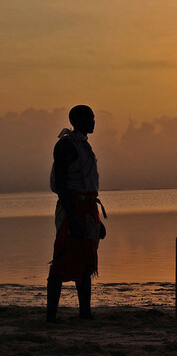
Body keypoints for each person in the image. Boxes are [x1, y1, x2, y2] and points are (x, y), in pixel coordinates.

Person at [47, 105, 106, 322]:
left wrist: (97, 222)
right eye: (89, 117)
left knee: (86, 261)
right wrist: (72, 218)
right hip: (72, 207)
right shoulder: (66, 146)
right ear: (77, 120)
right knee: (62, 260)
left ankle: (85, 313)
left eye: (93, 117)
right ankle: (50, 317)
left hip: (89, 209)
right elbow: (62, 185)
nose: (93, 121)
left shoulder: (84, 146)